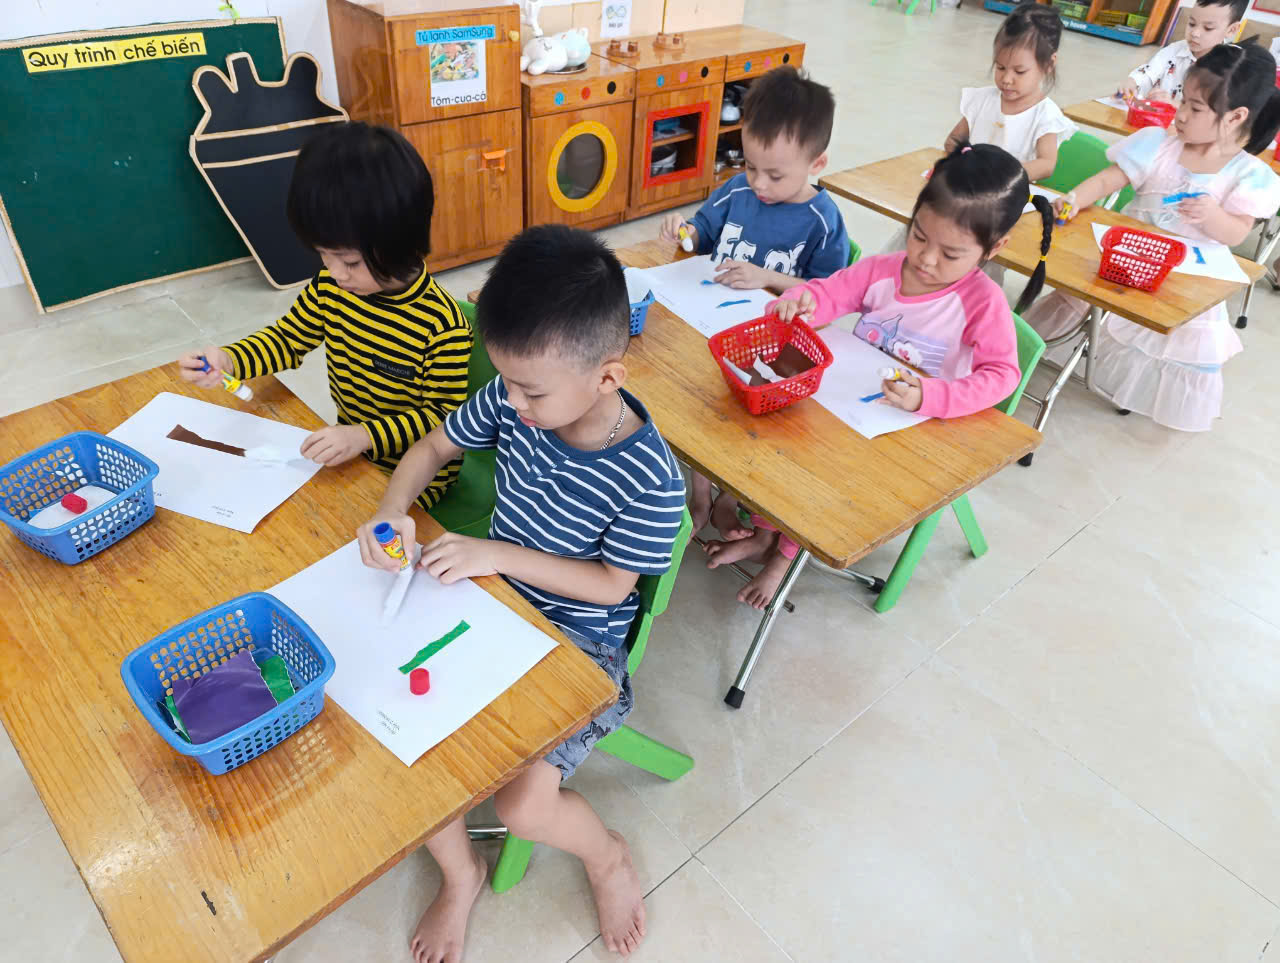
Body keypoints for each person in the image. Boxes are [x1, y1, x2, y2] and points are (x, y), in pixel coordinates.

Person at [356, 225, 686, 962]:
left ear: (607, 377)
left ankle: (606, 856)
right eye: (506, 380)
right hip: (494, 600)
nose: (511, 401)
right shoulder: (517, 398)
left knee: (523, 806)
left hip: (582, 641)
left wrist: (496, 554)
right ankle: (462, 874)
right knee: (404, 733)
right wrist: (391, 511)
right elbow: (434, 446)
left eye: (530, 389)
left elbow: (612, 586)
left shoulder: (650, 477)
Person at [720, 144, 1053, 608]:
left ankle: (784, 557)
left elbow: (1002, 376)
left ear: (993, 249)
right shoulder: (883, 269)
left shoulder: (982, 303)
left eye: (950, 253)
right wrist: (798, 305)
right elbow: (829, 294)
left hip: (915, 433)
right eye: (919, 236)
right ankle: (763, 532)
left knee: (824, 469)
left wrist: (930, 397)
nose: (926, 259)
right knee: (780, 436)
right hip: (853, 405)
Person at [178, 121, 472, 508]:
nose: (335, 273)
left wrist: (364, 435)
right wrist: (230, 359)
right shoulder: (331, 289)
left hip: (416, 477)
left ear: (402, 243)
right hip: (351, 453)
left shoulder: (441, 327)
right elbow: (287, 340)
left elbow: (444, 420)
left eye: (349, 261)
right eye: (324, 255)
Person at [1027, 40, 1280, 432]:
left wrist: (1213, 217)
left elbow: (1236, 233)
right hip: (1124, 261)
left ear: (1235, 117)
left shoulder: (1247, 174)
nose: (1181, 115)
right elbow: (1109, 179)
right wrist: (1076, 199)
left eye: (1195, 108)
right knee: (1080, 303)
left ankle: (1124, 385)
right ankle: (1061, 354)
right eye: (1183, 101)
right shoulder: (1160, 145)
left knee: (1161, 339)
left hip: (1184, 281)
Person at [656, 65, 849, 543]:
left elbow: (829, 293)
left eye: (775, 174)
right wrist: (685, 234)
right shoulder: (737, 191)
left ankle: (728, 498)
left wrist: (768, 278)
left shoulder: (822, 220)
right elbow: (703, 234)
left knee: (744, 420)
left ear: (817, 163)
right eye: (750, 166)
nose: (759, 183)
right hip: (714, 325)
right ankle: (701, 494)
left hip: (772, 350)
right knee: (703, 404)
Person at [944, 1, 1075, 184]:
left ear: (1049, 64)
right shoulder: (982, 100)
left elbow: (1046, 165)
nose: (1006, 79)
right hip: (971, 186)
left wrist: (1003, 176)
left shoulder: (1045, 115)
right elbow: (953, 140)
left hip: (1010, 193)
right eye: (1000, 67)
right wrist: (965, 162)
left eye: (1019, 71)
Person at [1120, 0, 1247, 102]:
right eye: (1192, 23)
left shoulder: (1235, 64)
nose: (1195, 33)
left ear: (1231, 30)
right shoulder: (1174, 50)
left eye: (1208, 28)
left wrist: (1173, 105)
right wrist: (1133, 82)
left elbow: (1219, 110)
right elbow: (1148, 73)